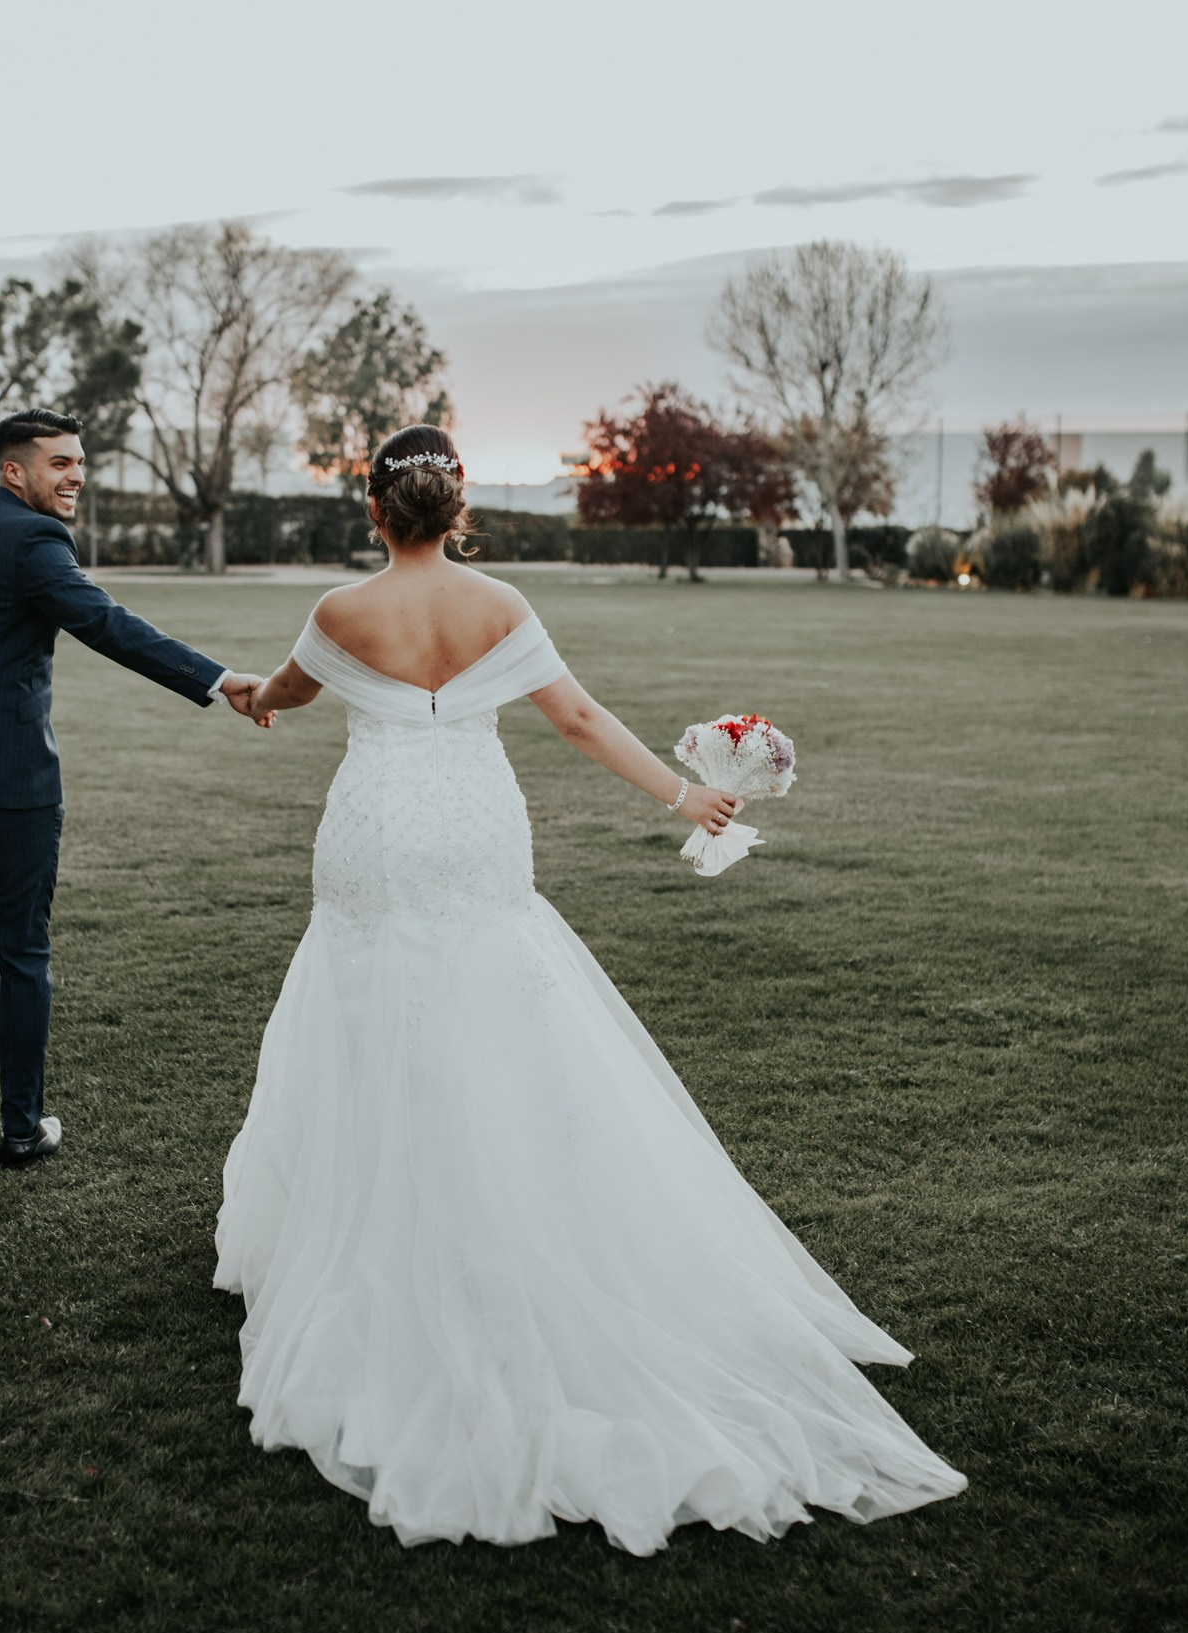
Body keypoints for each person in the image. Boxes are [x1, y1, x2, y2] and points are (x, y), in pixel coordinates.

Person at [215, 423, 966, 1553]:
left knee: (366, 1009)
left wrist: (255, 696)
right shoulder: (501, 606)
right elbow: (574, 716)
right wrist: (682, 796)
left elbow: (288, 689)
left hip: (375, 839)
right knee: (493, 1010)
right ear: (454, 510)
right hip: (472, 835)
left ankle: (376, 1211)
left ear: (373, 512)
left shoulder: (336, 612)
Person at [0, 408, 268, 1207]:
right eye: (59, 463)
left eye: (79, 463)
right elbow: (105, 623)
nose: (75, 477)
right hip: (11, 780)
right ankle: (21, 1130)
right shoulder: (35, 542)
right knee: (21, 948)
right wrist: (216, 677)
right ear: (12, 471)